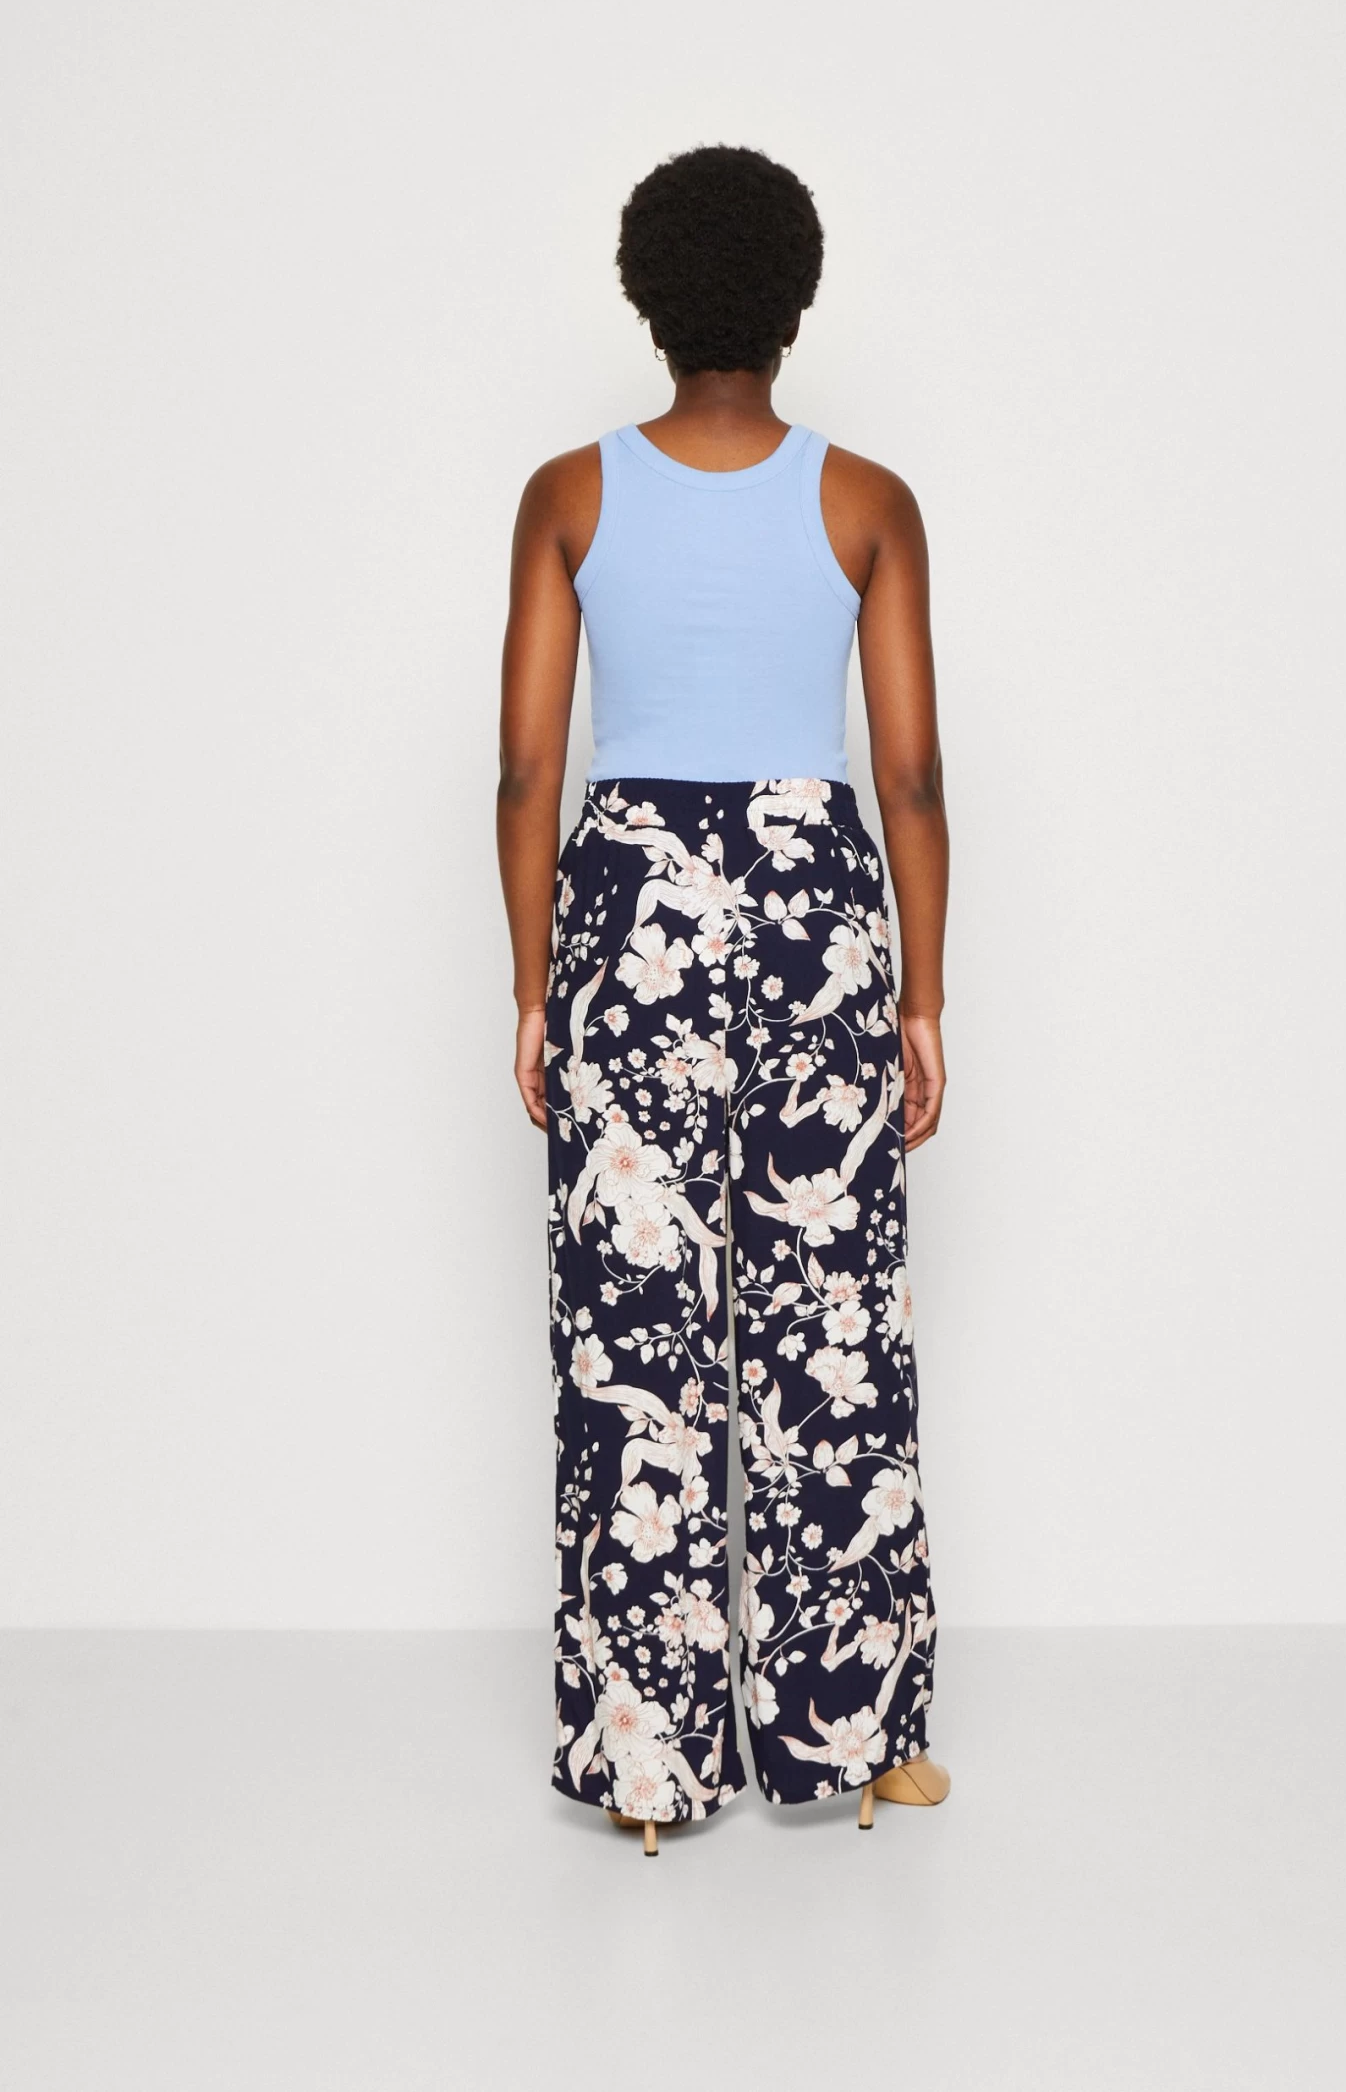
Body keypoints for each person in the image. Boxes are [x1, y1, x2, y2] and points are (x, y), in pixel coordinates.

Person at [496, 145, 950, 1854]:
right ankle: (864, 1741)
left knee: (633, 1334)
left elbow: (526, 766)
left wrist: (534, 985)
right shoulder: (867, 501)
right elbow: (908, 776)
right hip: (816, 907)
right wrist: (923, 997)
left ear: (649, 293)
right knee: (832, 1324)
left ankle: (645, 1767)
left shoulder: (569, 494)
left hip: (627, 911)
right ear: (794, 298)